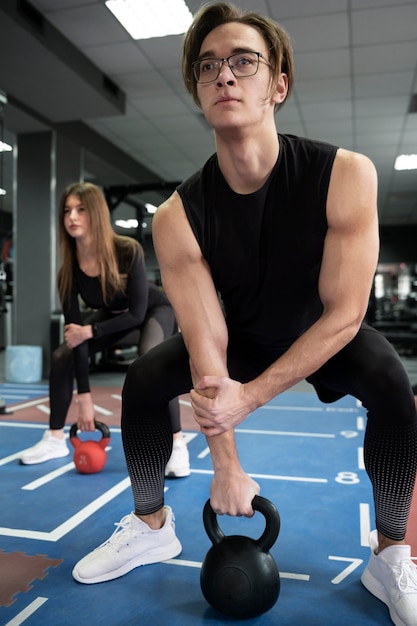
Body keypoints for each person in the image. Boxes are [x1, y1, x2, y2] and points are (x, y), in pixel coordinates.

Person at [72, 4, 417, 624]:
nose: (224, 76)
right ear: (199, 91)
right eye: (208, 68)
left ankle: (390, 554)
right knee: (146, 379)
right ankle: (152, 524)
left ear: (277, 85)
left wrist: (251, 397)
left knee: (393, 383)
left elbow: (344, 315)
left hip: (324, 333)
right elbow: (206, 338)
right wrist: (227, 469)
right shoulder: (177, 217)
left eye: (243, 62)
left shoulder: (344, 175)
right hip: (240, 339)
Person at [20, 182, 189, 478]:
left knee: (151, 359)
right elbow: (75, 336)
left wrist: (91, 331)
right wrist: (84, 398)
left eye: (81, 210)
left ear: (96, 214)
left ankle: (176, 444)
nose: (72, 216)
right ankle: (55, 438)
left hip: (152, 310)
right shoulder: (69, 270)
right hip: (112, 315)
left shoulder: (127, 250)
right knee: (62, 356)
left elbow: (136, 314)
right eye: (67, 210)